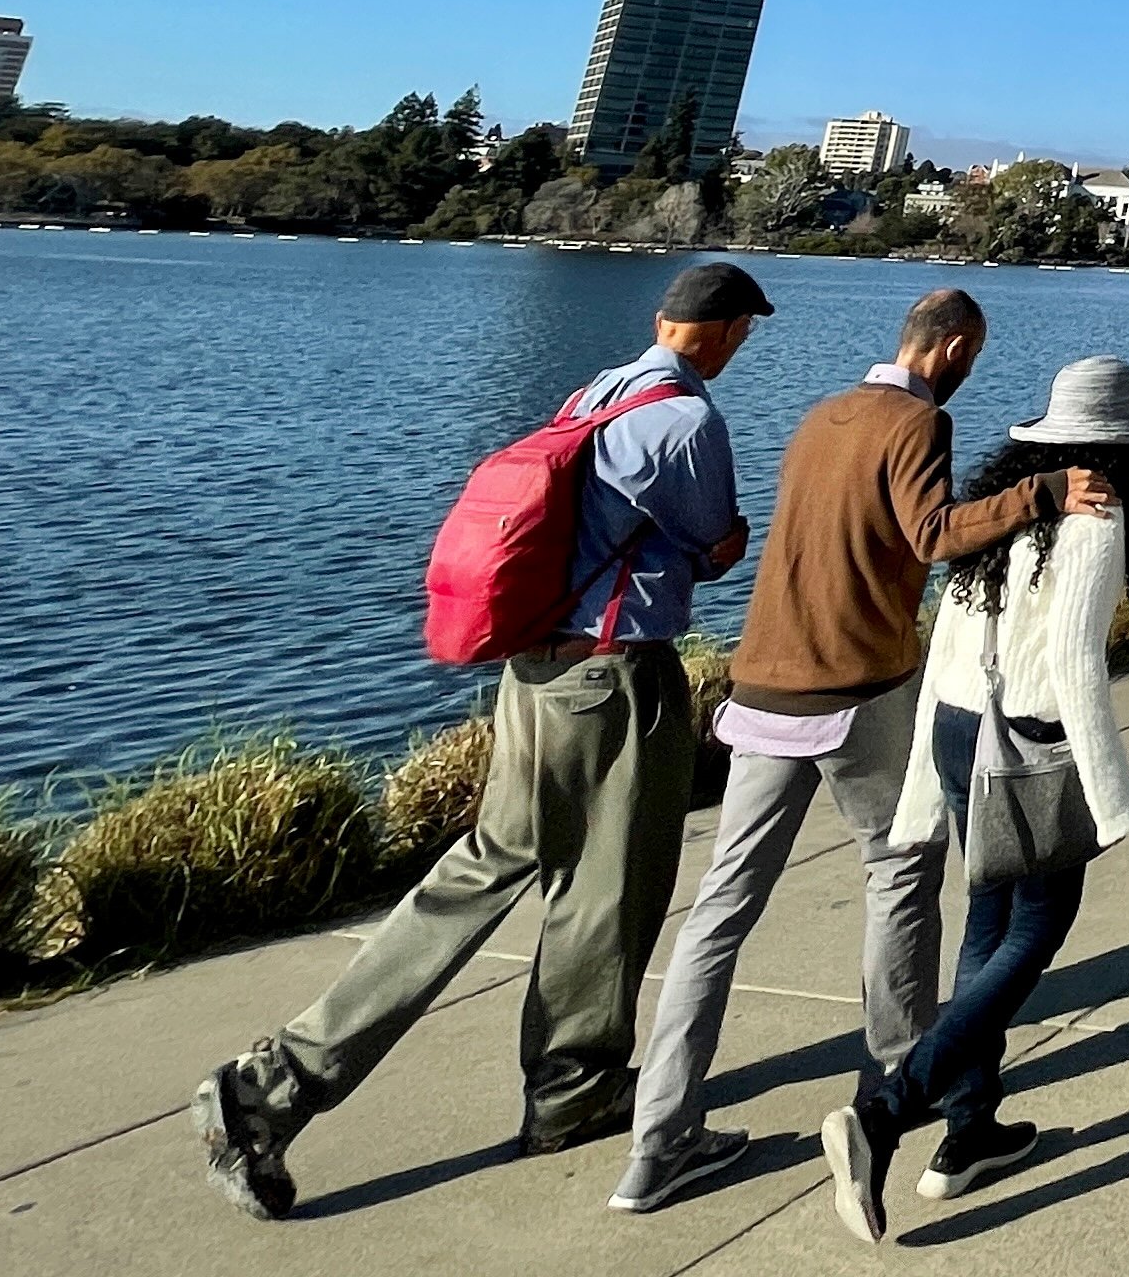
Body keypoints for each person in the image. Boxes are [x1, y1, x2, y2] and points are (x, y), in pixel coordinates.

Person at [195, 261, 769, 1220]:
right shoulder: (689, 419)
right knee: (609, 888)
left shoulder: (599, 390)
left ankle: (278, 1082)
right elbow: (711, 541)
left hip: (534, 671)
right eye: (745, 331)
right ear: (723, 330)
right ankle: (570, 1089)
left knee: (484, 869)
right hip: (614, 675)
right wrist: (721, 544)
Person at [613, 290, 1119, 1215]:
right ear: (953, 348)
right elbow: (931, 533)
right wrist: (1043, 492)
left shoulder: (820, 416)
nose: (968, 369)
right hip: (853, 691)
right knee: (902, 873)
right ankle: (899, 1090)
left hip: (761, 684)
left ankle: (657, 1144)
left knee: (719, 912)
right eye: (972, 355)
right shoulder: (917, 419)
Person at [821, 356, 1129, 1241]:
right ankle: (887, 1114)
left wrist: (924, 790)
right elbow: (1078, 670)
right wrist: (1111, 796)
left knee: (986, 923)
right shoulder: (1098, 516)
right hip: (1033, 740)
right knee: (1035, 931)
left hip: (958, 726)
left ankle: (969, 1134)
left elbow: (948, 643)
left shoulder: (1005, 509)